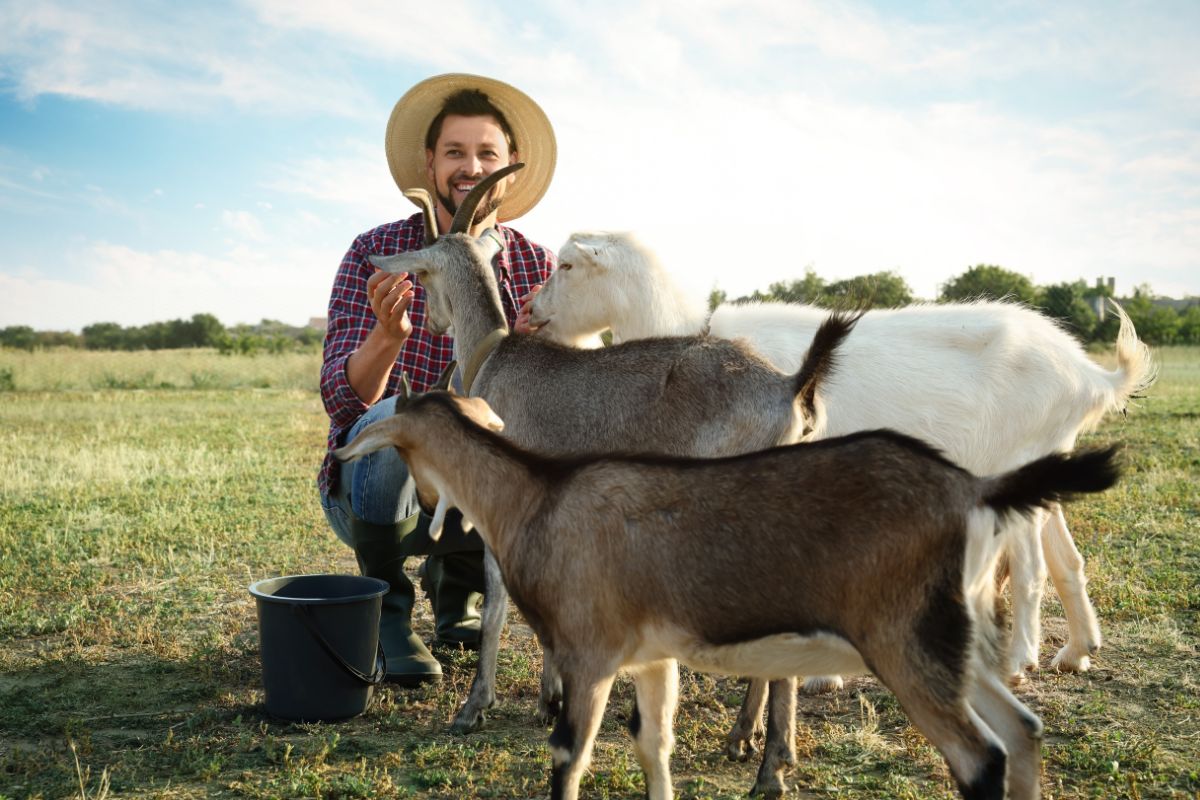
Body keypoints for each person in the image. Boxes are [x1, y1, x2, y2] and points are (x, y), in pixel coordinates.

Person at [318, 74, 557, 685]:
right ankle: (389, 614)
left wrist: (543, 357)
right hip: (377, 495)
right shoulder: (377, 250)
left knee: (519, 424)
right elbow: (346, 404)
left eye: (486, 154)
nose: (469, 166)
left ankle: (462, 597)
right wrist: (386, 338)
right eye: (454, 152)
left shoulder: (538, 265)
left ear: (509, 167)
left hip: (485, 501)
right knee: (411, 415)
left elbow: (567, 410)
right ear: (430, 162)